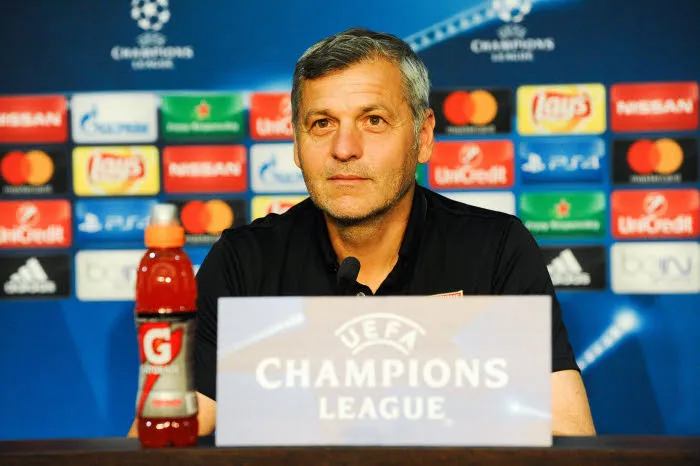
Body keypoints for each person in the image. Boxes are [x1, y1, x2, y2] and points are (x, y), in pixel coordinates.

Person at [128, 27, 596, 438]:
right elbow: (168, 434)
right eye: (322, 123)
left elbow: (567, 435)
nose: (344, 148)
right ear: (296, 144)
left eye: (374, 121)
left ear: (423, 136)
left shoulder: (495, 249)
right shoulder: (243, 261)